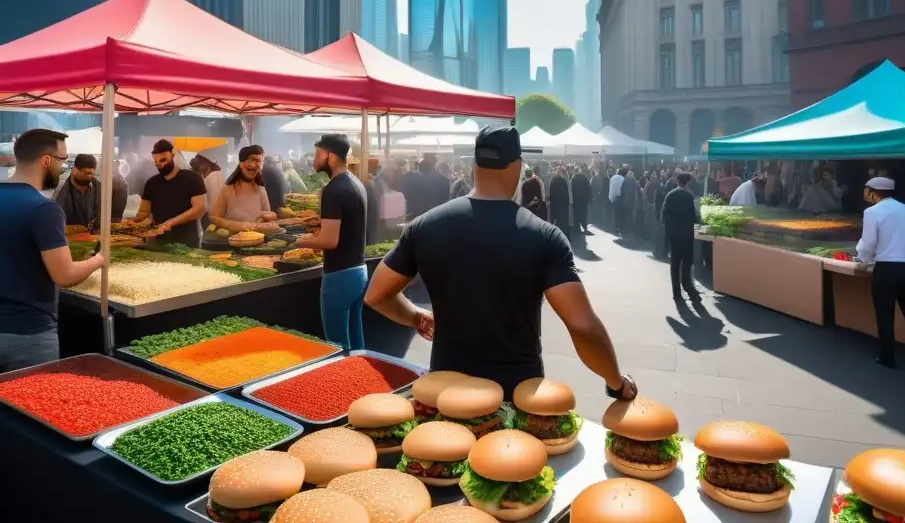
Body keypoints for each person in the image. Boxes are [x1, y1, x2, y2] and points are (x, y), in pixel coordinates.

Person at [364, 126, 638, 402]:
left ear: (474, 165)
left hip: (446, 392)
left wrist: (416, 317)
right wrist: (615, 383)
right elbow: (583, 326)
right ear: (517, 166)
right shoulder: (544, 236)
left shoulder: (425, 226)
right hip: (517, 397)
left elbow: (377, 294)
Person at [0, 129, 105, 372]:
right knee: (28, 409)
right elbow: (65, 275)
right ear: (47, 160)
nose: (64, 166)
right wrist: (100, 259)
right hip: (27, 336)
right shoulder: (43, 209)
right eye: (63, 160)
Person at [294, 135, 367, 351]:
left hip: (340, 276)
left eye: (318, 155)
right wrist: (319, 223)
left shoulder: (333, 190)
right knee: (356, 340)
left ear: (331, 157)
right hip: (358, 271)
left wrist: (295, 242)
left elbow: (329, 240)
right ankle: (363, 383)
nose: (314, 160)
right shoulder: (355, 182)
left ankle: (343, 384)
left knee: (337, 346)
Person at [856, 177, 905, 371]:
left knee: (885, 314)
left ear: (873, 192)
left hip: (886, 270)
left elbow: (868, 243)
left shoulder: (872, 212)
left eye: (865, 189)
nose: (864, 193)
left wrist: (862, 259)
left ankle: (888, 357)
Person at [134, 140, 207, 247]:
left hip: (186, 242)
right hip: (158, 242)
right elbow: (144, 211)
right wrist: (134, 222)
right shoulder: (151, 183)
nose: (160, 165)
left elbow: (199, 209)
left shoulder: (192, 178)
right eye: (156, 162)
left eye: (163, 160)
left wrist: (170, 222)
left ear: (173, 154)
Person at [209, 146, 277, 233]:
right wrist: (233, 225)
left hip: (257, 238)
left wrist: (271, 216)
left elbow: (268, 215)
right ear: (241, 164)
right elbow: (214, 217)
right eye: (252, 160)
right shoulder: (228, 188)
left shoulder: (260, 189)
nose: (254, 165)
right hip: (234, 238)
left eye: (259, 161)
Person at [662, 172, 701, 304]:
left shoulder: (670, 195)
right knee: (687, 263)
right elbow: (695, 216)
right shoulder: (689, 196)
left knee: (675, 263)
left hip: (674, 236)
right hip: (686, 235)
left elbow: (663, 216)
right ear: (688, 183)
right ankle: (688, 287)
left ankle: (676, 292)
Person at [53, 153, 101, 227]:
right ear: (74, 170)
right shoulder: (60, 187)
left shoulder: (97, 185)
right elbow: (54, 218)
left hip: (91, 234)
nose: (83, 189)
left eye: (91, 174)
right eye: (85, 173)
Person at [548, 166, 571, 241]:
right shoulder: (564, 180)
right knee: (563, 222)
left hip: (555, 204)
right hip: (563, 205)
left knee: (556, 221)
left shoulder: (553, 180)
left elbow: (551, 193)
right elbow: (567, 194)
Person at [571, 166, 591, 237]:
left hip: (576, 200)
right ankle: (585, 228)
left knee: (576, 215)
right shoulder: (584, 178)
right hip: (584, 200)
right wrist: (588, 198)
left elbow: (571, 190)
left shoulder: (573, 179)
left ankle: (577, 229)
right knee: (583, 214)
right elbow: (589, 188)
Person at [608, 166, 625, 236]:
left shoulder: (612, 178)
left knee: (614, 214)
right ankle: (620, 228)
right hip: (620, 198)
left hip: (612, 198)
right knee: (619, 215)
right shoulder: (622, 178)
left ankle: (614, 229)